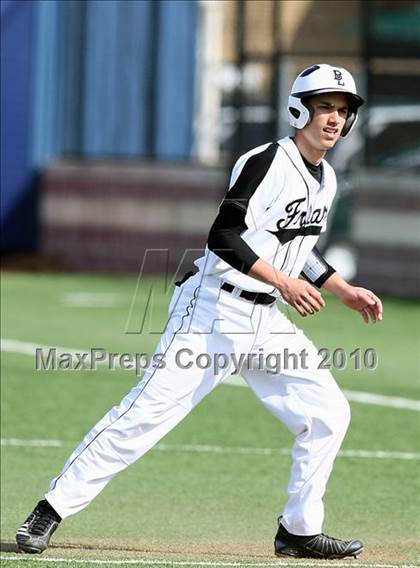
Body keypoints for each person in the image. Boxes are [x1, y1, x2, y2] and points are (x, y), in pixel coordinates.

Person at [16, 63, 382, 559]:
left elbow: (293, 245)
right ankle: (49, 510)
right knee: (145, 416)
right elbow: (225, 236)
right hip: (212, 312)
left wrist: (340, 288)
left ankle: (297, 531)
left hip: (264, 320)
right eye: (324, 107)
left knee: (329, 413)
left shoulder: (327, 179)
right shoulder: (269, 161)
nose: (335, 119)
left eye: (343, 110)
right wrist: (283, 282)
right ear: (299, 109)